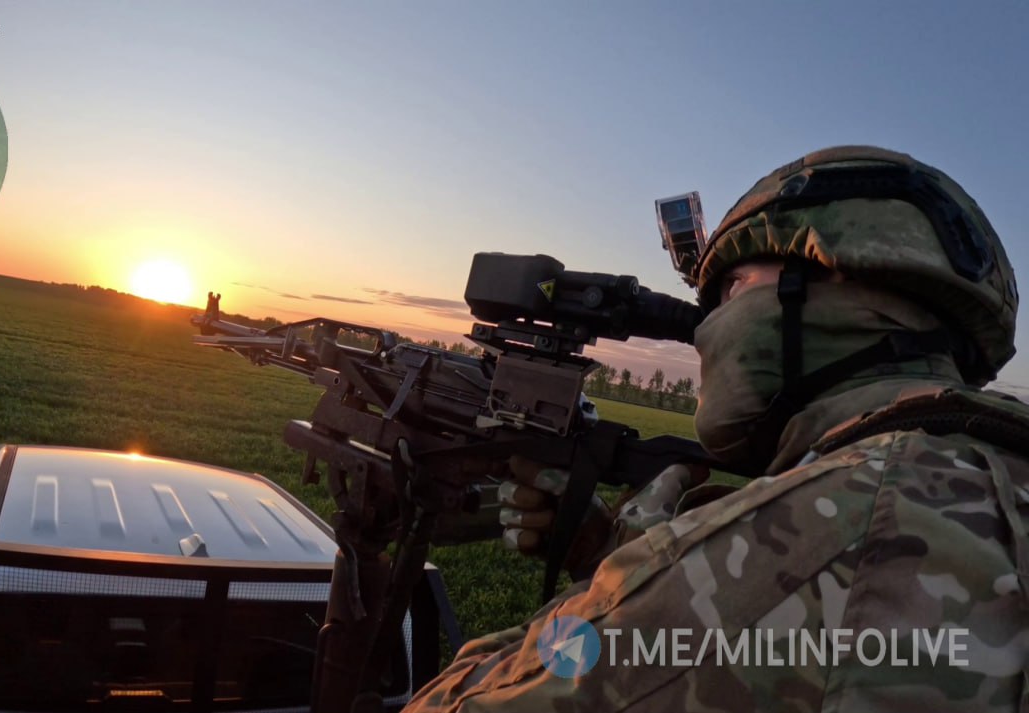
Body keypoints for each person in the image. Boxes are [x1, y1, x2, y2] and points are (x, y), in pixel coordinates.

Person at [402, 146, 1029, 712]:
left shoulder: (832, 526)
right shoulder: (992, 463)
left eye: (731, 290)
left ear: (828, 276)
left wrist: (623, 584)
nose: (706, 328)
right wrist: (604, 545)